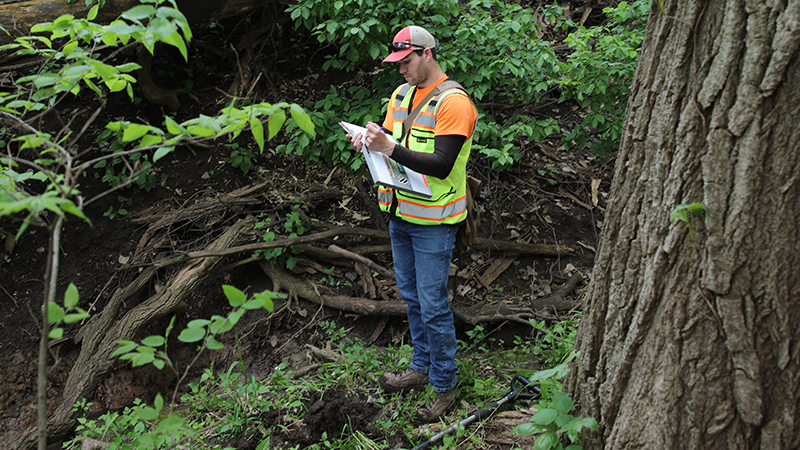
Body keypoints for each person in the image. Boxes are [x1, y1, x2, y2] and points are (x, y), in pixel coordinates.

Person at [347, 25, 478, 423]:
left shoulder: (454, 102)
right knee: (412, 296)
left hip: (435, 221)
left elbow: (441, 165)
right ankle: (421, 367)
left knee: (434, 303)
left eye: (406, 62)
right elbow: (391, 136)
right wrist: (371, 139)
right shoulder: (401, 94)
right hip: (400, 214)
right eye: (396, 63)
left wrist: (390, 148)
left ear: (427, 54)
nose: (400, 70)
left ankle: (444, 384)